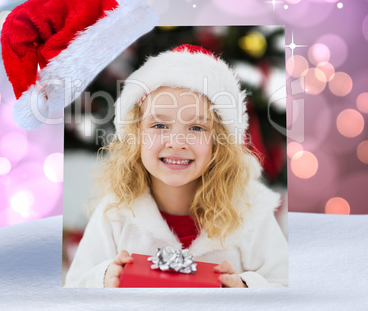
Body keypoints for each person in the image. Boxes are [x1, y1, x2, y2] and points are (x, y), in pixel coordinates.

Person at [64, 44, 288, 288]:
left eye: (196, 128)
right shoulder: (116, 212)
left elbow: (284, 287)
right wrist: (104, 279)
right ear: (136, 135)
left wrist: (245, 288)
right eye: (159, 125)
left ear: (219, 141)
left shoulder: (250, 212)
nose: (177, 142)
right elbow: (75, 289)